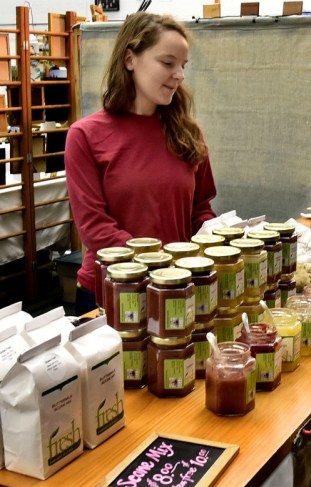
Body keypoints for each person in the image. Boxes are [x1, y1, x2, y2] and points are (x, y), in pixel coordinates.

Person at [66, 12, 217, 315]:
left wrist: (218, 240)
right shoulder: (85, 136)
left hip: (176, 288)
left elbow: (200, 210)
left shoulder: (188, 134)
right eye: (167, 63)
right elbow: (96, 229)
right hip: (110, 292)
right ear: (130, 59)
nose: (179, 75)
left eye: (183, 66)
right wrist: (166, 263)